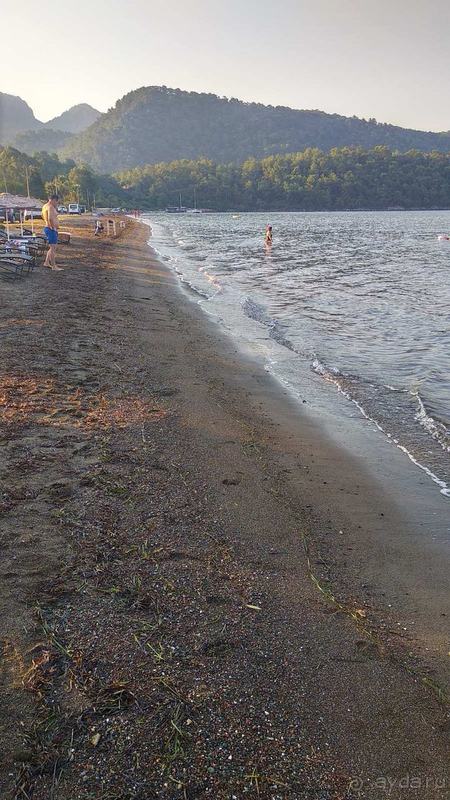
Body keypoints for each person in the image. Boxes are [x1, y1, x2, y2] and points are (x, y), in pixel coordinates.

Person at [42, 194, 63, 270]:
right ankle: (54, 266)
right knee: (53, 247)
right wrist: (52, 227)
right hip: (50, 229)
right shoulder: (50, 207)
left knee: (52, 247)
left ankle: (46, 262)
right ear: (54, 200)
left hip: (48, 228)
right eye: (57, 202)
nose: (57, 204)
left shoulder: (45, 206)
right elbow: (50, 218)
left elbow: (43, 216)